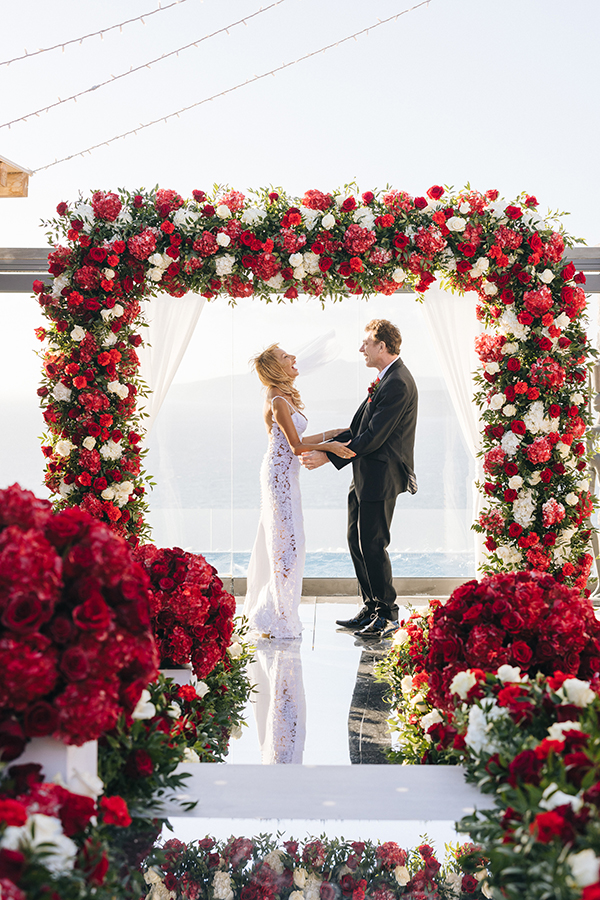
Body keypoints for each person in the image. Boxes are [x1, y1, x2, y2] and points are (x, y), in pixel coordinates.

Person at [301, 319, 418, 638]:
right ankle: (372, 606)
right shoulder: (386, 378)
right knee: (357, 541)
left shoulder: (397, 382)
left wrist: (328, 456)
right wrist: (322, 444)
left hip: (381, 477)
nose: (361, 348)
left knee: (374, 544)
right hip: (365, 475)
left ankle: (387, 614)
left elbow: (374, 437)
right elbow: (359, 430)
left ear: (382, 346)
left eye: (366, 342)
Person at [243, 344, 354, 639]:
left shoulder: (283, 396)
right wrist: (331, 447)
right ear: (275, 368)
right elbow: (296, 447)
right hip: (278, 477)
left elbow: (298, 438)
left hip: (286, 476)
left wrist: (332, 433)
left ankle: (275, 612)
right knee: (286, 546)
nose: (293, 357)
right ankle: (278, 616)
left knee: (290, 543)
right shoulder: (277, 400)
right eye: (285, 357)